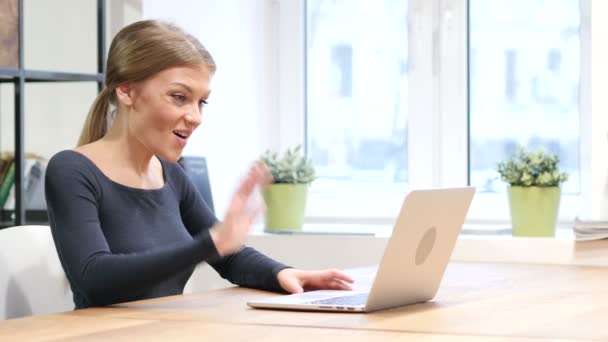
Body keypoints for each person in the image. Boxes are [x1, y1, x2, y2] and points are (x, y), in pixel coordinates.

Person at [45, 19, 353, 309]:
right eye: (179, 97)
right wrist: (209, 243)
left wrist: (285, 273)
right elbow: (95, 278)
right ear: (127, 91)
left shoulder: (171, 176)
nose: (196, 117)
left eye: (201, 101)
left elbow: (228, 256)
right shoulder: (72, 171)